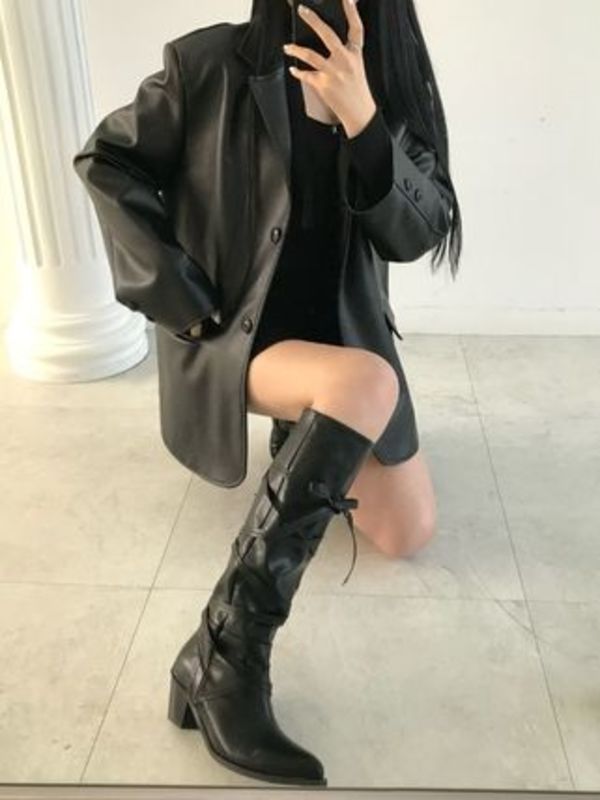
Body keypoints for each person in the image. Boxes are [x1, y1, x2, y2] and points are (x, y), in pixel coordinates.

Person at [74, 0, 461, 787]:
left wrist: (364, 119)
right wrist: (179, 298)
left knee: (407, 532)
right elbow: (106, 161)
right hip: (234, 337)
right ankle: (222, 656)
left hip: (341, 340)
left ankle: (311, 428)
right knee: (367, 380)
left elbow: (416, 235)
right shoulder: (209, 65)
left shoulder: (388, 82)